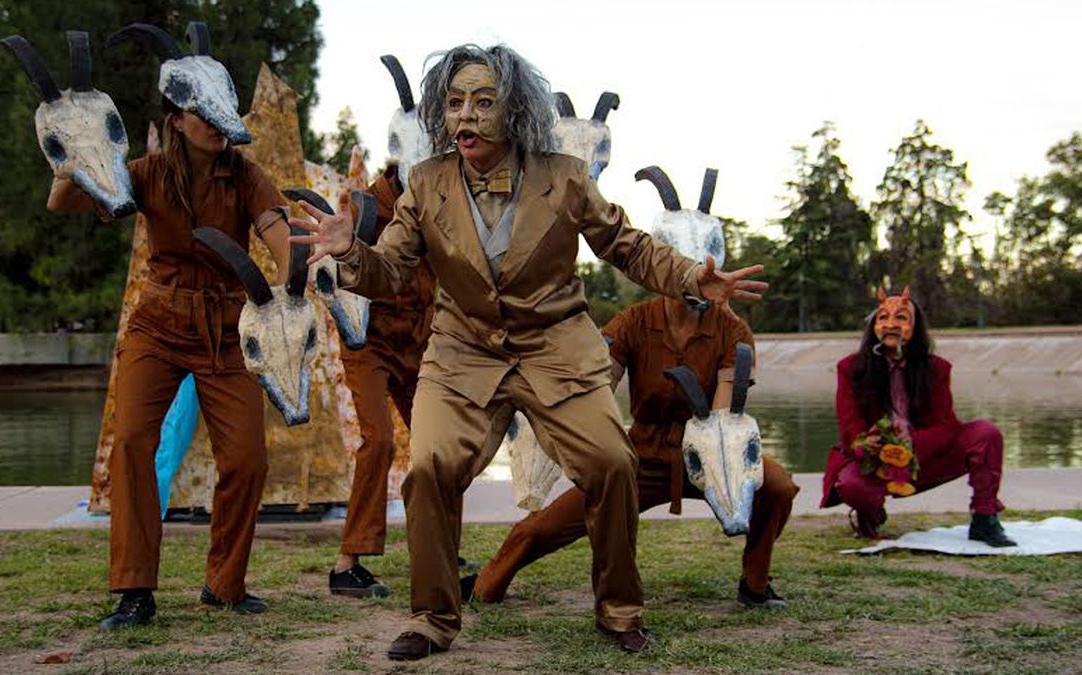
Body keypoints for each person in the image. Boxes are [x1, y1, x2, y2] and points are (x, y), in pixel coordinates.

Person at [291, 44, 767, 660]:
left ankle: (620, 609)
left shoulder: (564, 176)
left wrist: (691, 279)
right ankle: (433, 616)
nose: (466, 116)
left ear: (514, 111)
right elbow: (389, 271)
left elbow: (628, 246)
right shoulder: (427, 181)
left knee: (612, 464)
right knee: (430, 469)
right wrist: (351, 253)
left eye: (483, 102)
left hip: (556, 350)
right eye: (456, 102)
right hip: (461, 353)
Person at [44, 22, 293, 629]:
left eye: (217, 112)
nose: (211, 123)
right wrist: (73, 151)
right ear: (176, 118)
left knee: (248, 461)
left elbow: (276, 233)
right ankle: (135, 591)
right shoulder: (149, 172)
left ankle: (224, 584)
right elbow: (65, 201)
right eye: (197, 113)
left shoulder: (246, 175)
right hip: (157, 323)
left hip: (227, 326)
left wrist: (289, 292)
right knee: (131, 443)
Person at [470, 296, 800, 611]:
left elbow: (721, 420)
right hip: (640, 455)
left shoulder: (732, 329)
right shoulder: (633, 320)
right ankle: (487, 583)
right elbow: (597, 386)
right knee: (544, 528)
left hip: (704, 458)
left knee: (777, 485)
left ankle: (755, 584)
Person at [821, 287, 1016, 547]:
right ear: (873, 327)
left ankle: (985, 518)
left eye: (901, 318)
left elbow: (946, 425)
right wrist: (866, 444)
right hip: (875, 458)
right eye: (883, 318)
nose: (891, 325)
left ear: (915, 326)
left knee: (985, 433)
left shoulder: (937, 368)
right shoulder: (850, 368)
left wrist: (908, 445)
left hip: (923, 455)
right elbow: (849, 426)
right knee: (852, 485)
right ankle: (870, 514)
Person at [328, 161, 438, 599]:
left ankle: (439, 543)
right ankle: (347, 563)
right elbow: (339, 272)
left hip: (418, 342)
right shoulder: (365, 207)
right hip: (369, 343)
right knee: (380, 440)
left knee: (439, 443)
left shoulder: (438, 199)